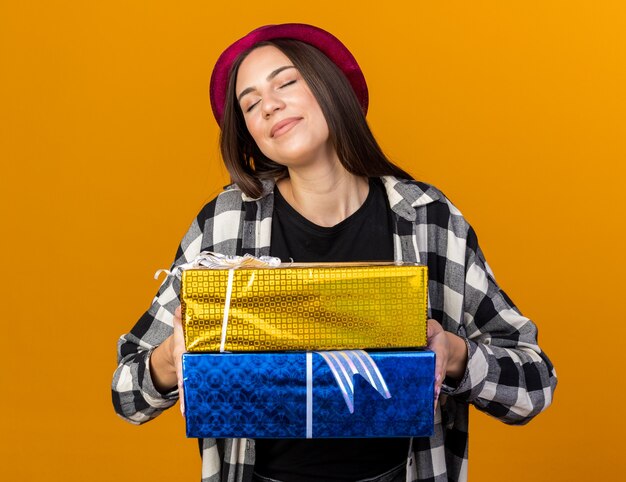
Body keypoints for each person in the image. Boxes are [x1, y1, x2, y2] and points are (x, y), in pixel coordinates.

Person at [112, 23, 557, 482]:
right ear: (248, 133)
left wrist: (455, 353)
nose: (269, 105)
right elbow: (126, 393)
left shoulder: (428, 219)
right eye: (249, 103)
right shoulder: (224, 224)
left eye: (286, 82)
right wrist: (174, 357)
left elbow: (534, 385)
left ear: (331, 86)